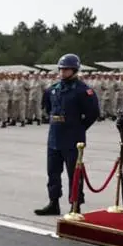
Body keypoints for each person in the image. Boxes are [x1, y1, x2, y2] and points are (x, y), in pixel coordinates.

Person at [34, 53, 100, 216]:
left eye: (66, 70)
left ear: (75, 70)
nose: (63, 72)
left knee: (74, 174)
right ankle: (53, 202)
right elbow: (48, 108)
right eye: (61, 69)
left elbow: (93, 113)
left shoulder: (83, 91)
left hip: (73, 139)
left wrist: (79, 128)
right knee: (53, 173)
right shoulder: (53, 89)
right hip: (55, 137)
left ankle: (75, 204)